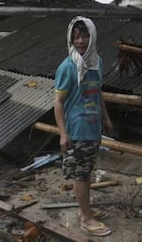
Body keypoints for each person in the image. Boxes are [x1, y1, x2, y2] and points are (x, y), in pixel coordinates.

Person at [54, 16, 113, 237]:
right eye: (76, 37)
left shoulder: (97, 62)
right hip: (77, 129)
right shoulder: (67, 67)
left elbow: (98, 93)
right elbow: (58, 103)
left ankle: (83, 211)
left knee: (86, 172)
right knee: (81, 174)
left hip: (93, 127)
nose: (80, 41)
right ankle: (86, 218)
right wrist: (62, 134)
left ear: (92, 37)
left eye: (84, 36)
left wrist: (106, 119)